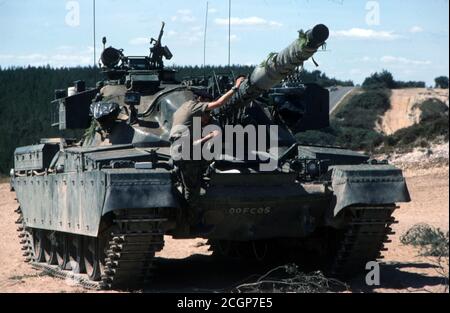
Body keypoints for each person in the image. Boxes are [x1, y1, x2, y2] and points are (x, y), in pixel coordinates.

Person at [169, 77, 245, 227]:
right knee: (192, 191)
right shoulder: (195, 107)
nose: (208, 111)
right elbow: (219, 104)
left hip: (180, 150)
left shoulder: (184, 108)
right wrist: (236, 88)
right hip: (186, 152)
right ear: (201, 99)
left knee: (193, 180)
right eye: (206, 103)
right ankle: (191, 223)